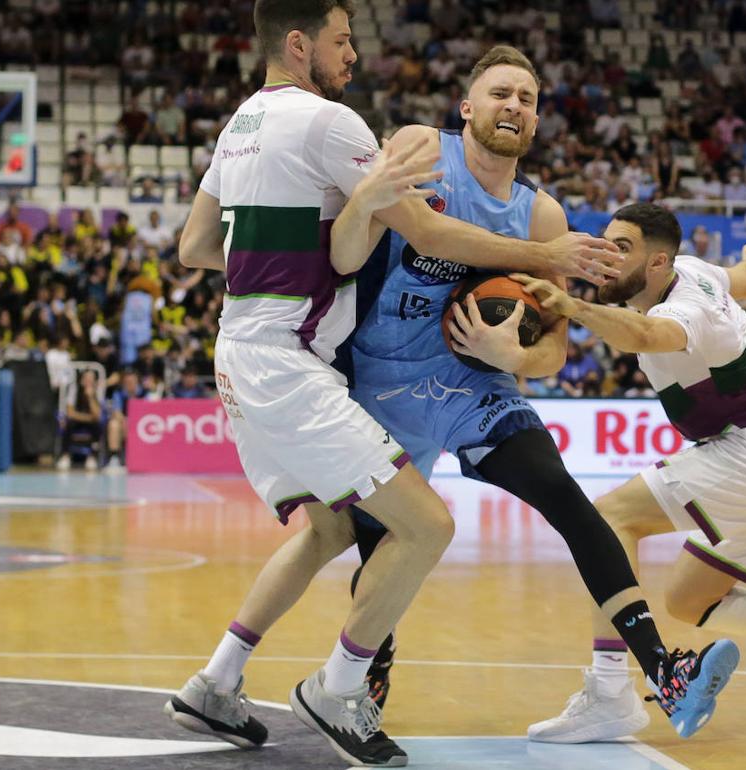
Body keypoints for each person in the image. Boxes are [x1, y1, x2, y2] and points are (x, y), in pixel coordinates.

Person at [163, 5, 623, 767]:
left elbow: (196, 247)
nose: (354, 54)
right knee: (427, 527)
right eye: (343, 41)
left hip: (237, 352)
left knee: (330, 530)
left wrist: (292, 257)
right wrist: (548, 257)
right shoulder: (331, 123)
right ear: (301, 43)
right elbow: (433, 236)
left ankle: (215, 683)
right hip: (288, 363)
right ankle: (338, 688)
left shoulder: (238, 124)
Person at [334, 44, 738, 741]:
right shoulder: (423, 151)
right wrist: (542, 259)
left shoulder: (542, 213)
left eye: (526, 97)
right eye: (499, 93)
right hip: (381, 379)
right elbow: (429, 231)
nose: (513, 105)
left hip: (472, 384)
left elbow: (554, 348)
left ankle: (666, 672)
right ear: (468, 107)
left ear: (539, 116)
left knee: (568, 499)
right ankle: (368, 680)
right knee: (382, 547)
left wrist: (512, 352)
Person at [515, 203, 746, 742]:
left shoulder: (686, 307)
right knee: (690, 600)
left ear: (656, 262)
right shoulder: (693, 269)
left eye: (621, 247)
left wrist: (571, 307)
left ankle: (609, 692)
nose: (604, 255)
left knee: (610, 520)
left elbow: (645, 337)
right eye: (605, 242)